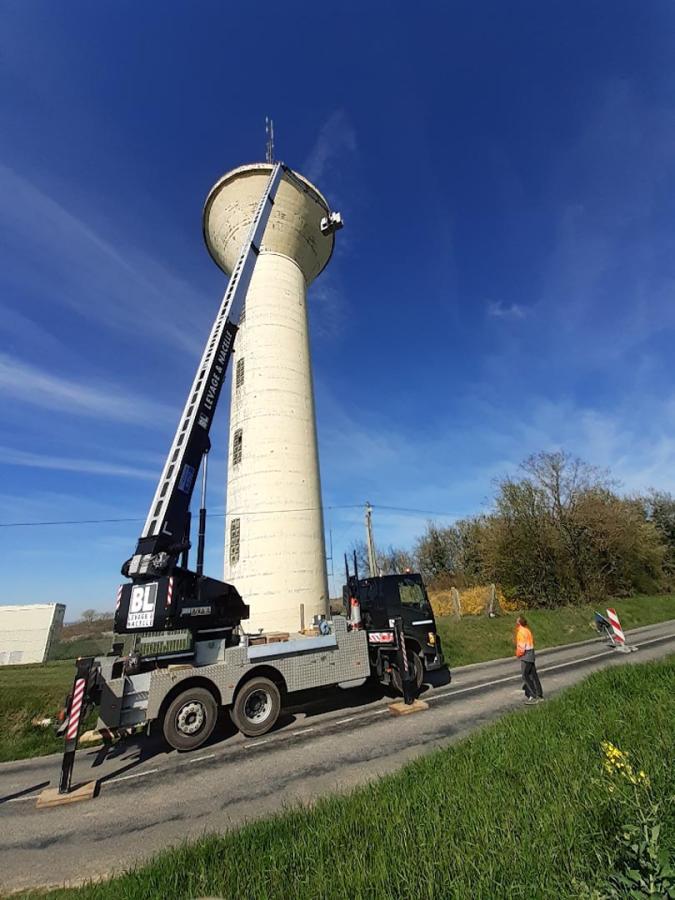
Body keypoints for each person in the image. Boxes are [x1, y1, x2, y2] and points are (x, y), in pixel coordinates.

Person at [515, 615, 543, 703]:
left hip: (526, 655)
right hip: (531, 653)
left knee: (525, 676)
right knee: (533, 675)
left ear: (519, 623)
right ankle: (539, 694)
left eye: (517, 621)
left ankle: (533, 695)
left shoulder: (520, 632)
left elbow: (521, 647)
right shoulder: (527, 630)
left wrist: (518, 654)